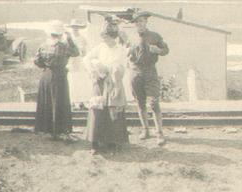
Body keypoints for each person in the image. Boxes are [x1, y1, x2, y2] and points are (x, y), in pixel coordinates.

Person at [84, 16, 129, 153]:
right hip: (100, 81)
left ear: (113, 37)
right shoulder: (100, 47)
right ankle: (95, 142)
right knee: (97, 109)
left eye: (107, 37)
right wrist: (94, 69)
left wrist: (110, 71)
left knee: (113, 111)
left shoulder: (120, 50)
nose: (105, 40)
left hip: (113, 82)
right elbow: (86, 59)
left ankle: (112, 142)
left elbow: (121, 67)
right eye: (103, 37)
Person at [128, 10, 169, 146]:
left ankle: (159, 133)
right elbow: (124, 51)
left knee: (154, 102)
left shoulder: (154, 36)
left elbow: (166, 50)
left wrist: (158, 51)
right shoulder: (130, 37)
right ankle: (145, 130)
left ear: (146, 22)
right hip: (135, 71)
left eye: (141, 21)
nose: (139, 24)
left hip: (150, 71)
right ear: (134, 24)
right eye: (136, 22)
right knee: (140, 102)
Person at [34, 20, 80, 140]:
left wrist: (46, 66)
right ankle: (58, 130)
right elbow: (76, 52)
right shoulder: (63, 46)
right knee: (59, 102)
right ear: (61, 34)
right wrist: (70, 39)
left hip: (46, 74)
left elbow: (37, 61)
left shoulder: (43, 45)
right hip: (59, 75)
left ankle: (47, 129)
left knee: (47, 101)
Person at [66, 19, 91, 110]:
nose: (75, 29)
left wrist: (80, 52)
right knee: (71, 81)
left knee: (81, 81)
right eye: (73, 27)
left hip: (79, 61)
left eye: (77, 27)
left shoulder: (82, 38)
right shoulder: (68, 39)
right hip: (70, 61)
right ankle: (72, 101)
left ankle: (81, 101)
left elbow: (84, 52)